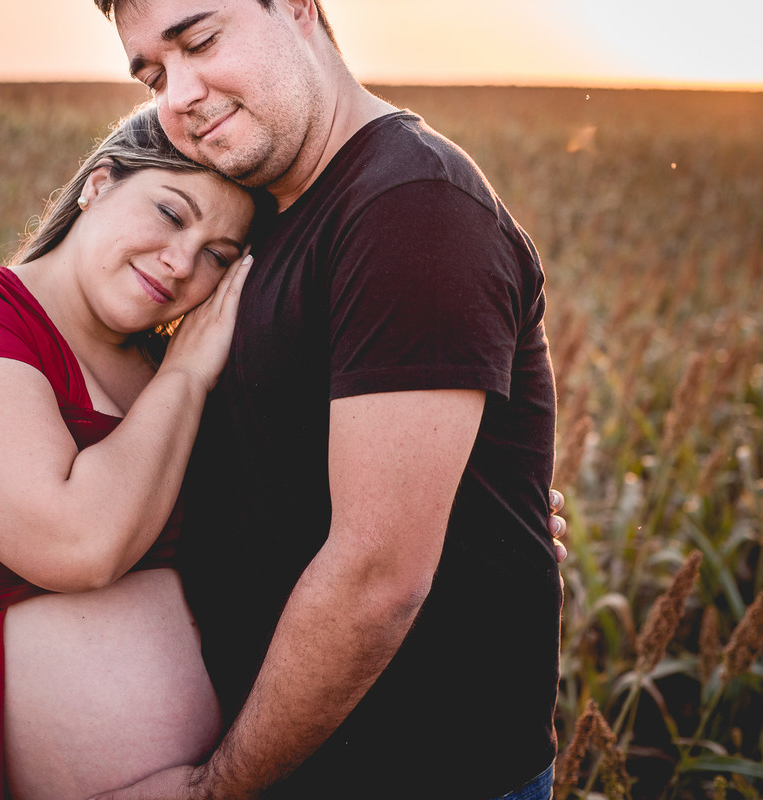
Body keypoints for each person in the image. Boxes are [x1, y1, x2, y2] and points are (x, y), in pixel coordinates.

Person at [94, 2, 564, 799]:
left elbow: (376, 576)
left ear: (302, 7)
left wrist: (216, 789)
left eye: (200, 41)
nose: (178, 95)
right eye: (153, 74)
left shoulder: (410, 207)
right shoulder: (264, 213)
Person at [0, 105, 271, 800]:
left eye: (219, 255)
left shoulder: (161, 370)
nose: (184, 261)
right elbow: (79, 544)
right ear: (99, 184)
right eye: (170, 213)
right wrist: (189, 374)